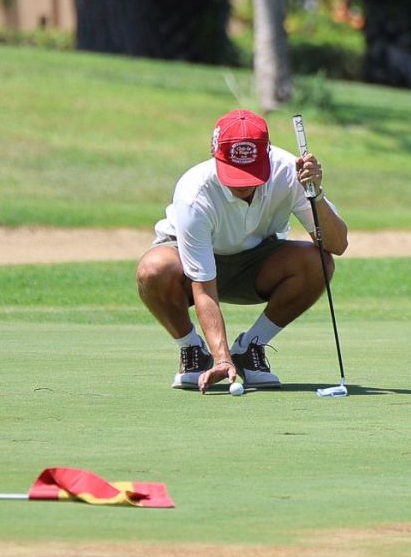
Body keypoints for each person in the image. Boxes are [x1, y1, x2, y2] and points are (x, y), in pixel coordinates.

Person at [136, 109, 349, 393]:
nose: (245, 184)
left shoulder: (289, 171)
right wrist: (220, 358)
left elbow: (337, 245)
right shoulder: (193, 192)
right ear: (215, 156)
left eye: (253, 172)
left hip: (256, 265)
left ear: (268, 155)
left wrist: (316, 193)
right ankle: (193, 351)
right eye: (235, 174)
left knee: (317, 262)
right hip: (189, 272)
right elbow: (203, 286)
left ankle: (250, 349)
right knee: (154, 269)